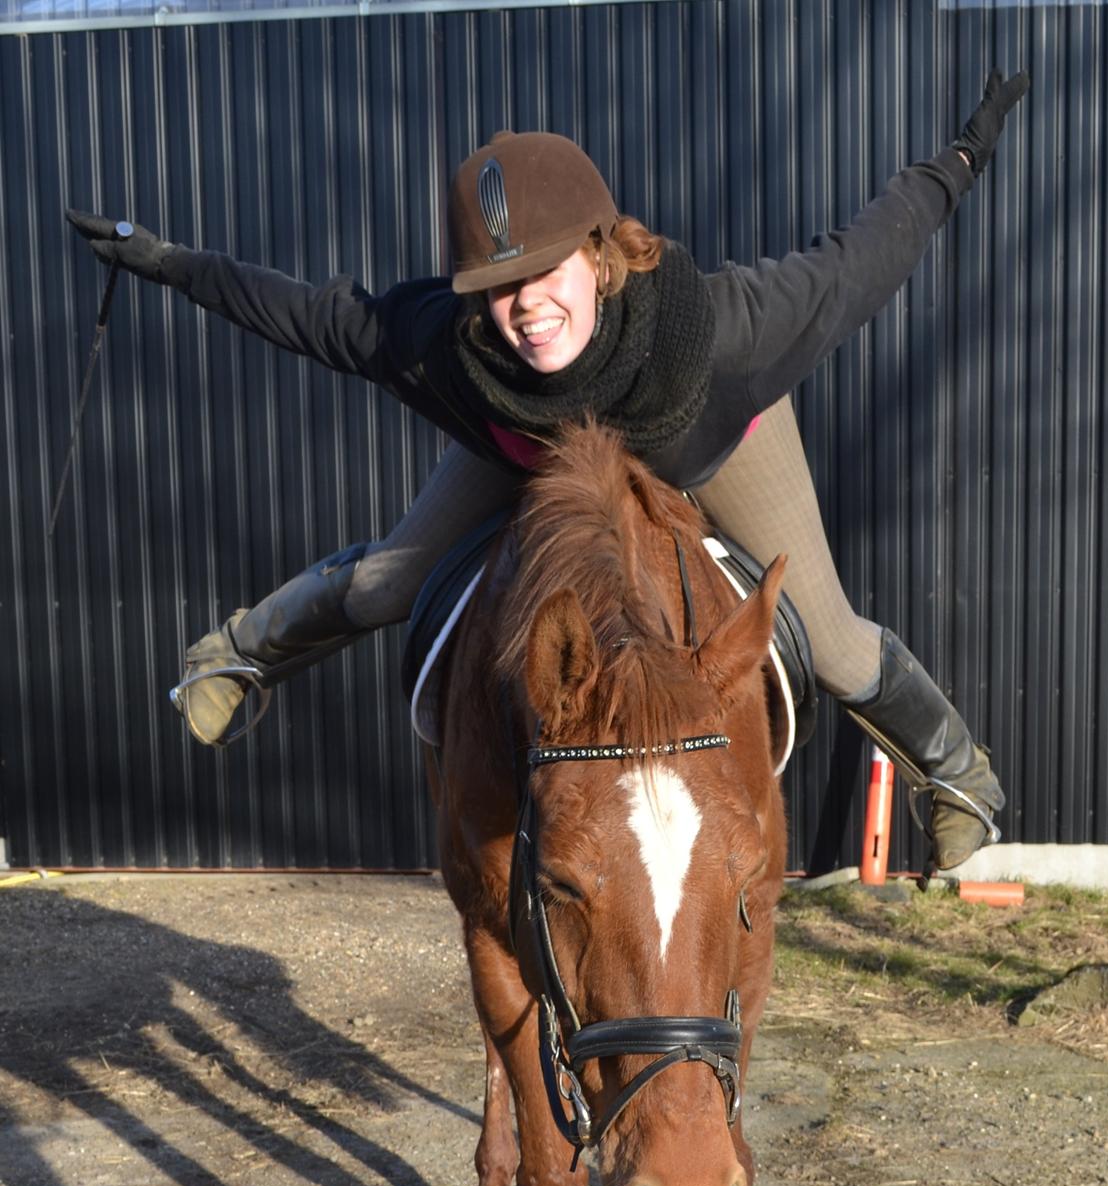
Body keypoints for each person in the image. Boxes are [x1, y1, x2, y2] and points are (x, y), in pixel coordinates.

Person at [67, 70, 1028, 871]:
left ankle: (957, 773)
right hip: (537, 449)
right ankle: (240, 651)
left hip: (716, 437)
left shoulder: (727, 332)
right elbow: (310, 316)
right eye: (494, 290)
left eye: (545, 275)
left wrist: (960, 158)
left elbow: (863, 260)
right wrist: (164, 262)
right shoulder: (453, 353)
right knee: (388, 580)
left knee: (831, 641)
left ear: (600, 255)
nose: (524, 309)